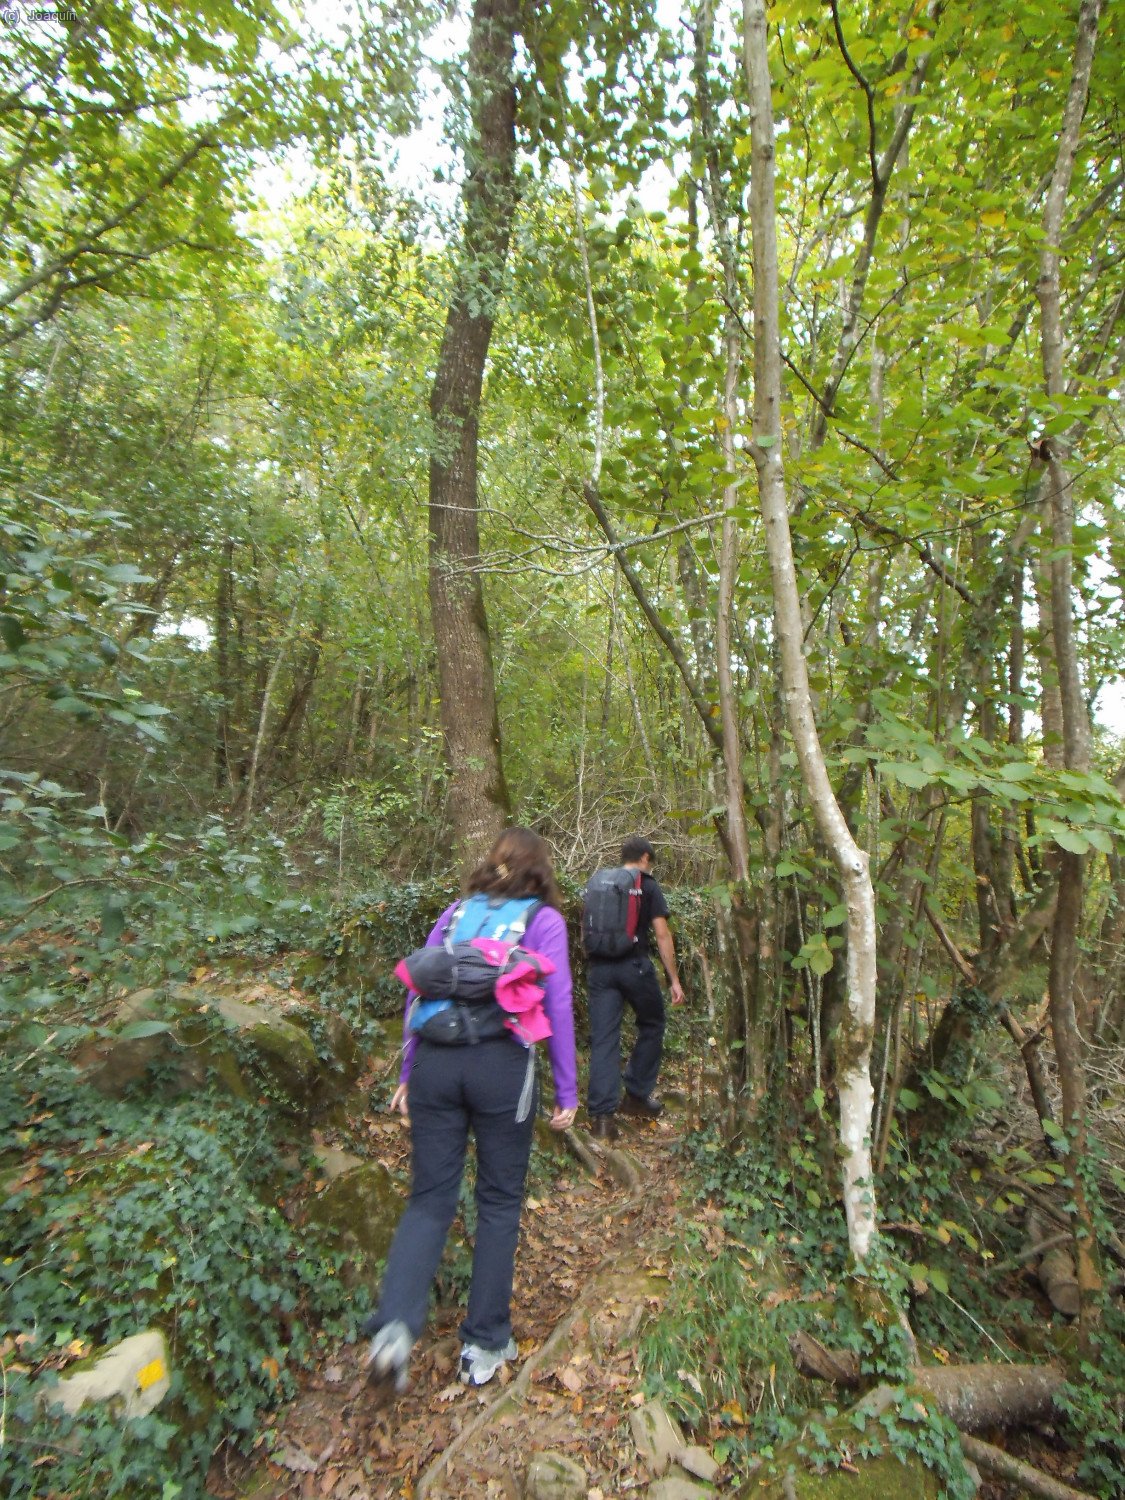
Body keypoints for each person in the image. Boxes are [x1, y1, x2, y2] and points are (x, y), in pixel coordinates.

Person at [363, 827, 578, 1395]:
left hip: (436, 1062)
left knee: (430, 1198)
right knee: (500, 1201)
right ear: (541, 870)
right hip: (500, 1066)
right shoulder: (544, 922)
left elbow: (417, 988)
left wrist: (408, 1074)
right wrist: (568, 1090)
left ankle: (392, 1331)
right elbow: (556, 1003)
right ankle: (483, 1345)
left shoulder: (456, 912)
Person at [585, 836, 684, 1142]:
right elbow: (662, 935)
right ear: (644, 858)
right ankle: (637, 1095)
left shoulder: (600, 882)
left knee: (604, 1039)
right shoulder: (647, 886)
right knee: (653, 1023)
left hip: (599, 969)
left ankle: (602, 1119)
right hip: (634, 967)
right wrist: (674, 980)